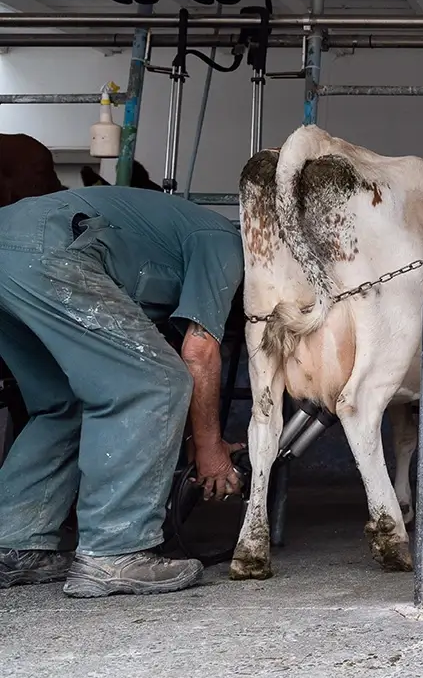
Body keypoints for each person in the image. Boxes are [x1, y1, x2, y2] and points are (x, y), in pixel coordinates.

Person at [0, 183, 245, 597]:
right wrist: (210, 448)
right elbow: (199, 350)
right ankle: (114, 552)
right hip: (53, 247)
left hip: (13, 243)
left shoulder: (173, 231)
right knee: (154, 383)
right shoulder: (225, 242)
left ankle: (14, 543)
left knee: (69, 401)